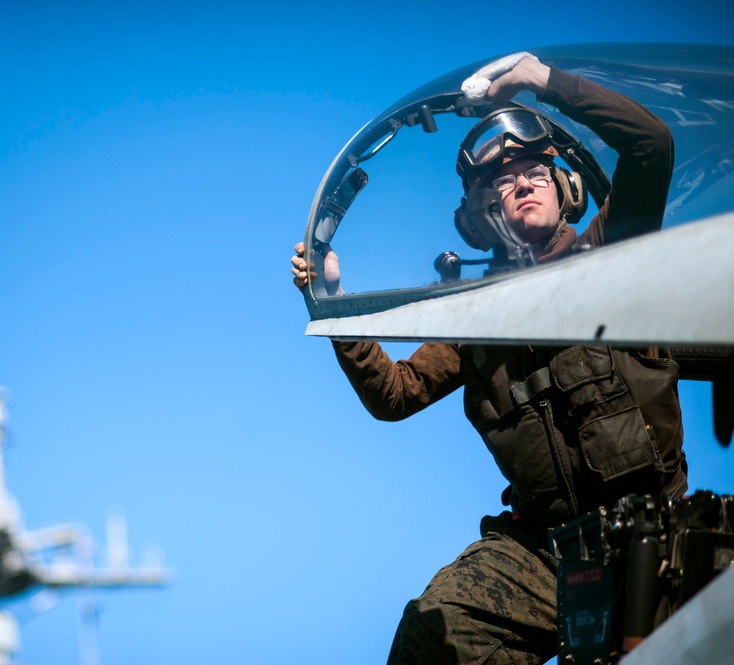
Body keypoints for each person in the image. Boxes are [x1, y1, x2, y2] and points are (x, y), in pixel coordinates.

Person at [291, 54, 685, 664]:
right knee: (434, 632)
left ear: (566, 187)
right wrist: (336, 301)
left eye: (534, 169)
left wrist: (540, 79)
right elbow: (394, 395)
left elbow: (651, 145)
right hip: (544, 552)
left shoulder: (614, 253)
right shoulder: (477, 319)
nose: (522, 181)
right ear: (478, 217)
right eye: (502, 180)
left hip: (655, 532)